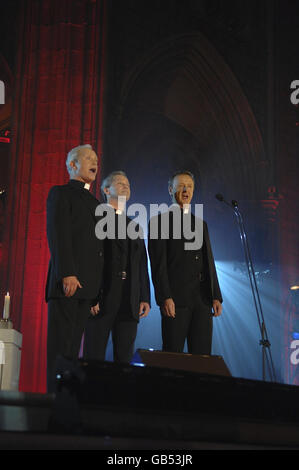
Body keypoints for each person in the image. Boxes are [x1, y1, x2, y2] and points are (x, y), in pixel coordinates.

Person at [45, 144, 104, 392]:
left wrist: (95, 293)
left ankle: (67, 402)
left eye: (96, 160)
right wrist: (67, 272)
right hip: (67, 282)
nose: (94, 162)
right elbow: (59, 234)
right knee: (61, 348)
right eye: (88, 158)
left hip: (87, 288)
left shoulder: (94, 202)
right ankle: (52, 402)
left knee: (73, 352)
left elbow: (98, 250)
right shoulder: (61, 193)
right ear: (72, 165)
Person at [148, 170, 222, 356]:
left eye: (189, 186)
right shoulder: (159, 222)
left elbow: (209, 262)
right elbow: (158, 265)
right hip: (176, 299)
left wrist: (215, 296)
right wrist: (165, 296)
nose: (185, 189)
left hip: (202, 300)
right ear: (170, 189)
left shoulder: (201, 224)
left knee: (203, 357)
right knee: (173, 355)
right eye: (181, 185)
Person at [83, 171, 150, 363]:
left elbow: (141, 264)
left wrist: (144, 296)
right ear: (106, 190)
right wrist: (91, 296)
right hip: (102, 297)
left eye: (127, 183)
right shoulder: (96, 218)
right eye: (119, 183)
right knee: (93, 355)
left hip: (129, 300)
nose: (125, 186)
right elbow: (90, 259)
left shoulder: (135, 226)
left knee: (125, 358)